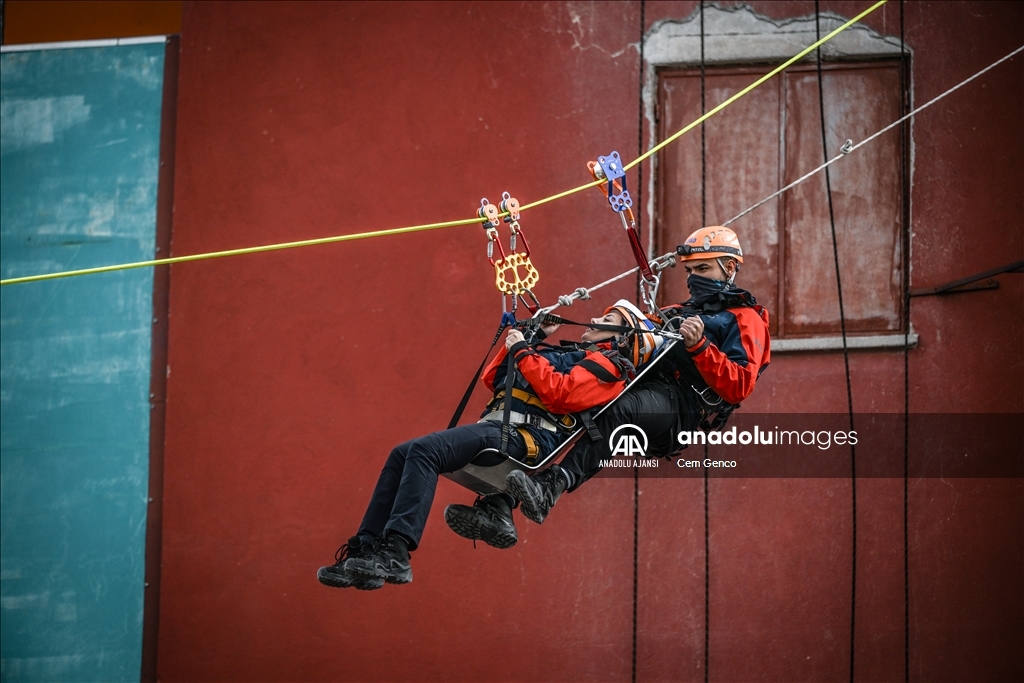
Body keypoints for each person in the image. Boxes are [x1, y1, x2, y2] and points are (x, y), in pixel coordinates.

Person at [317, 300, 661, 590]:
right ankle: (366, 548)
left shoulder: (610, 368)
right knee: (402, 453)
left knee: (424, 451)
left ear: (624, 337)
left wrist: (524, 350)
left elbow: (561, 394)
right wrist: (532, 337)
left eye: (610, 319)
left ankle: (395, 553)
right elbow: (494, 378)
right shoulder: (564, 354)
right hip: (500, 430)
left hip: (523, 439)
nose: (597, 319)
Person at [503, 226, 771, 525]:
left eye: (703, 268)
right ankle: (501, 503)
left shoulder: (745, 319)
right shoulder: (676, 311)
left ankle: (552, 485)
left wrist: (700, 346)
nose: (694, 277)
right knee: (573, 393)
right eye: (690, 270)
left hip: (683, 406)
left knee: (618, 410)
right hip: (644, 383)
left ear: (730, 267)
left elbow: (740, 386)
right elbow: (631, 340)